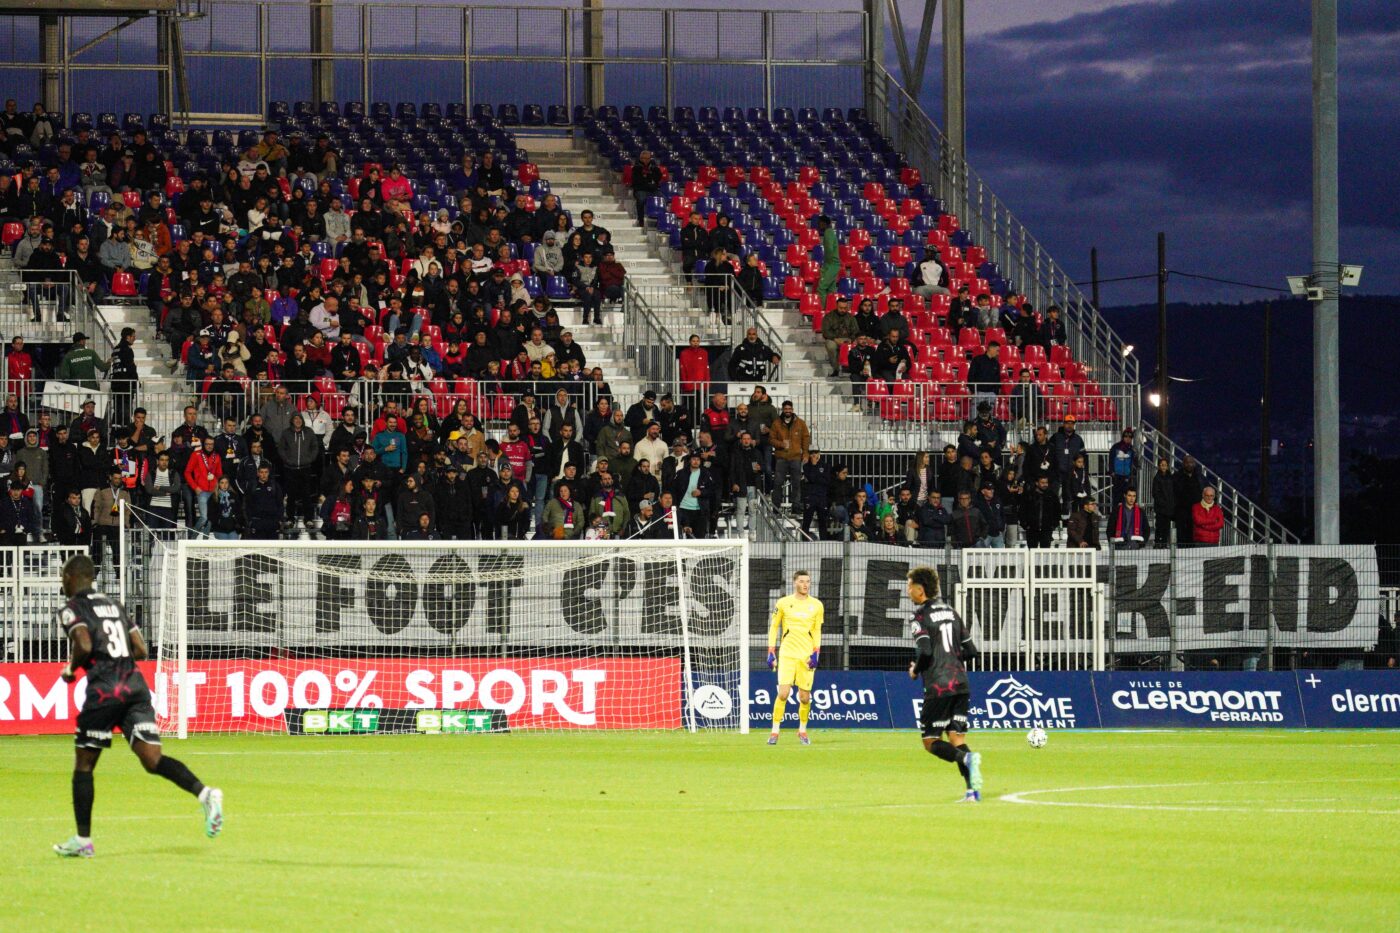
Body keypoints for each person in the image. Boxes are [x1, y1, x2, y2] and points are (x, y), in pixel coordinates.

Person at [50, 554, 223, 858]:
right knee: (153, 760)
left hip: (105, 691)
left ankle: (83, 840)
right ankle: (206, 794)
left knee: (84, 765)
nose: (62, 582)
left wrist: (70, 670)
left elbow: (84, 644)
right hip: (135, 688)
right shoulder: (115, 607)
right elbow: (141, 649)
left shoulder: (72, 608)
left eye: (64, 576)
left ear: (72, 577)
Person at [905, 566, 983, 803]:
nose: (908, 591)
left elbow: (926, 651)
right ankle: (972, 792)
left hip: (939, 685)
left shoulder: (920, 617)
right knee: (957, 739)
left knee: (930, 742)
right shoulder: (951, 611)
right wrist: (951, 659)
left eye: (909, 586)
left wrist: (915, 670)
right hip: (961, 683)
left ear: (920, 589)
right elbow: (971, 651)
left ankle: (966, 760)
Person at [765, 570, 824, 746]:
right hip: (787, 653)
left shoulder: (817, 605)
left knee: (805, 697)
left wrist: (816, 652)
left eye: (808, 581)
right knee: (783, 693)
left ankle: (802, 731)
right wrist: (770, 650)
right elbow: (774, 626)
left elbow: (817, 630)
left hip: (806, 655)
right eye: (802, 581)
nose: (805, 584)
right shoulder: (783, 603)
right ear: (794, 583)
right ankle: (775, 732)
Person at [820, 295, 859, 377]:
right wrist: (835, 339)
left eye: (845, 308)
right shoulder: (829, 317)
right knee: (830, 346)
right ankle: (836, 369)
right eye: (841, 308)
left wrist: (851, 340)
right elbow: (825, 331)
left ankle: (853, 369)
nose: (843, 310)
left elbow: (856, 331)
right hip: (834, 339)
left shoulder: (851, 317)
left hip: (848, 339)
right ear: (836, 306)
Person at [1150, 456, 1175, 546]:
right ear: (1159, 466)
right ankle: (1157, 543)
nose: (1163, 467)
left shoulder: (1171, 478)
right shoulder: (1157, 478)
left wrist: (1171, 504)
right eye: (1161, 465)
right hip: (1160, 508)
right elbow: (1155, 493)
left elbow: (1173, 492)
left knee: (1166, 527)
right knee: (1159, 526)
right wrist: (1162, 503)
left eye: (1165, 465)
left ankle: (1164, 543)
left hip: (1168, 508)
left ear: (1167, 466)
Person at [816, 215, 840, 306]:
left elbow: (829, 250)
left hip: (831, 265)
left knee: (821, 288)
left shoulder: (828, 233)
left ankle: (823, 311)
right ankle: (831, 310)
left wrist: (826, 267)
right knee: (831, 290)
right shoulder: (830, 232)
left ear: (824, 223)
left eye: (819, 223)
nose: (818, 225)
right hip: (833, 265)